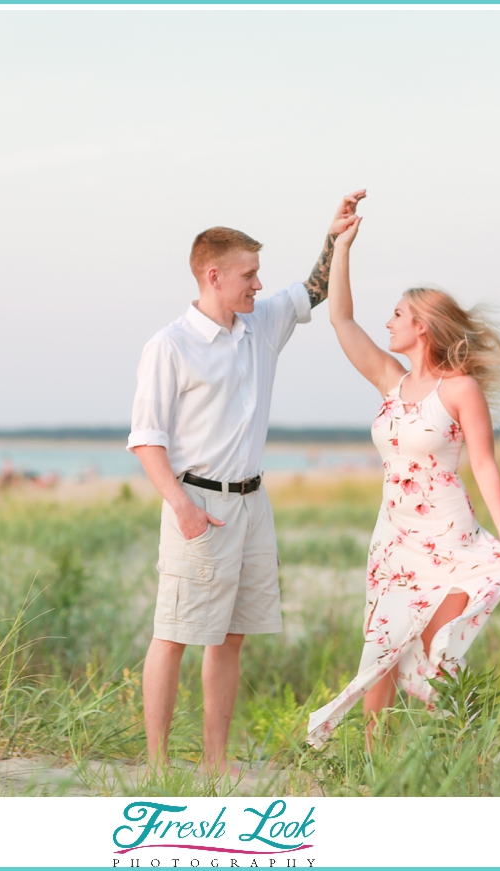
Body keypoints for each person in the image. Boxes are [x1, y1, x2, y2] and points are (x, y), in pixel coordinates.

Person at [128, 190, 367, 774]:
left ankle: (214, 760)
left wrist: (336, 238)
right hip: (198, 505)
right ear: (213, 275)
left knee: (231, 637)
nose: (258, 285)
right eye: (248, 275)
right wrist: (181, 506)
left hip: (253, 504)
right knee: (174, 633)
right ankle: (157, 766)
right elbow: (146, 439)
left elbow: (313, 290)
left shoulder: (260, 324)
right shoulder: (170, 345)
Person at [306, 210, 500, 751]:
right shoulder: (391, 379)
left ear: (422, 326)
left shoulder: (459, 390)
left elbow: (484, 463)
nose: (389, 322)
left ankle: (464, 747)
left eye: (399, 314)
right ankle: (374, 760)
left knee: (435, 643)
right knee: (381, 642)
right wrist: (341, 246)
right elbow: (341, 321)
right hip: (393, 537)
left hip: (447, 534)